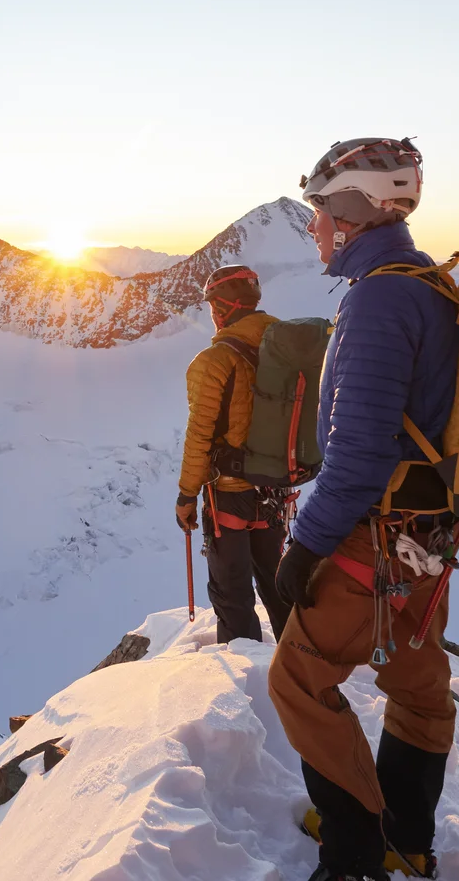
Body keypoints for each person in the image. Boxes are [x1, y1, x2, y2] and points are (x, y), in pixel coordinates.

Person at [269, 137, 459, 881]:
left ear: (352, 211)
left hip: (371, 540)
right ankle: (407, 839)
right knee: (417, 686)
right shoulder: (427, 285)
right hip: (427, 537)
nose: (315, 226)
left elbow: (356, 451)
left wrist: (305, 547)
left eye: (320, 210)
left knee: (299, 680)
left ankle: (353, 854)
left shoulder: (380, 297)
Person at [173, 264, 293, 645]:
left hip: (229, 495)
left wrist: (186, 495)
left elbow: (199, 437)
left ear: (222, 307)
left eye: (212, 306)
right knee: (277, 584)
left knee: (232, 592)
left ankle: (244, 678)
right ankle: (302, 667)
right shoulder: (288, 350)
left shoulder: (213, 362)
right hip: (275, 490)